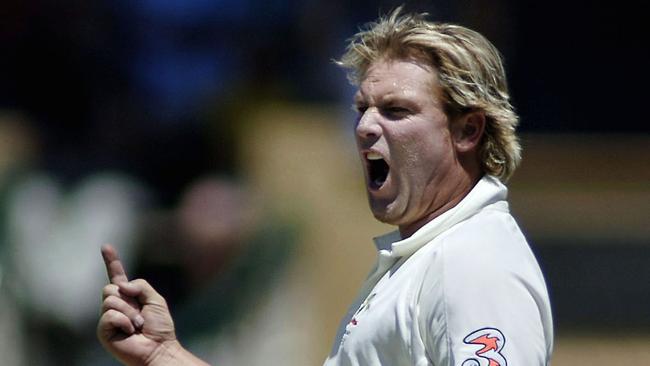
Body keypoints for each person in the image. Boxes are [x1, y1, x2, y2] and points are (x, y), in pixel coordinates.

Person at [97, 8, 553, 366]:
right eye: (362, 108)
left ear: (468, 131)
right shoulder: (420, 261)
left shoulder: (472, 265)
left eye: (396, 111)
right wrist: (164, 355)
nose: (366, 127)